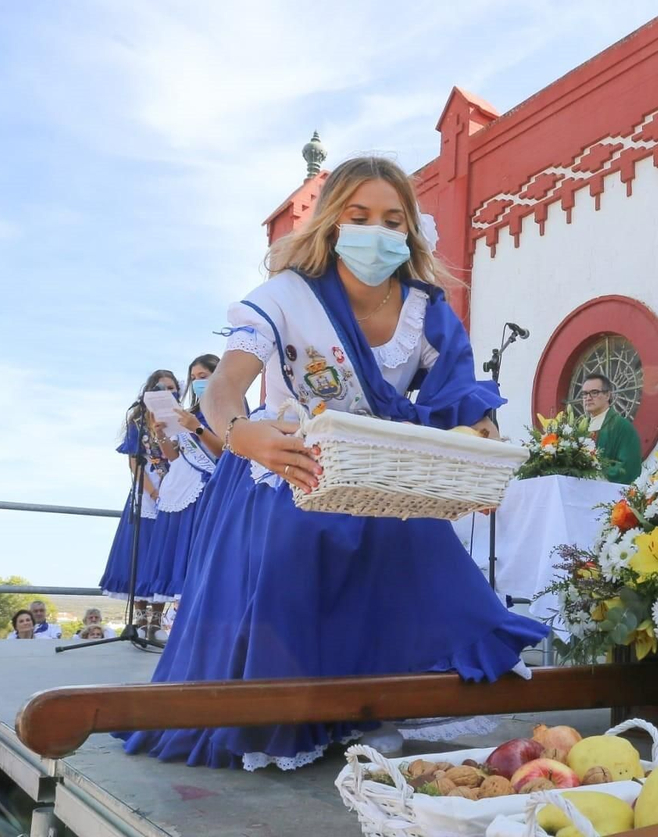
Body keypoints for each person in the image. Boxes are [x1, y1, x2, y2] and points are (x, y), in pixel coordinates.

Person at [122, 155, 548, 771]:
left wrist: (478, 429)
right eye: (360, 215)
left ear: (410, 230)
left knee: (426, 551)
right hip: (290, 463)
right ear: (331, 222)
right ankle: (293, 714)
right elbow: (223, 390)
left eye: (392, 219)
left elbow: (459, 391)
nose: (377, 231)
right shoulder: (285, 296)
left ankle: (374, 706)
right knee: (297, 542)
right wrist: (244, 435)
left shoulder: (425, 309)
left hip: (380, 473)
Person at [145, 354, 227, 611]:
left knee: (196, 562)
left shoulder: (229, 407)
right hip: (179, 486)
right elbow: (174, 456)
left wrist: (197, 428)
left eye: (202, 377)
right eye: (193, 379)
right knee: (175, 562)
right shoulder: (189, 412)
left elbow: (227, 452)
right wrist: (161, 437)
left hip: (205, 490)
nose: (197, 382)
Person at [99, 370, 175, 627]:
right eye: (161, 388)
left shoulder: (180, 419)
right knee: (140, 550)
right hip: (146, 491)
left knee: (162, 551)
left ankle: (157, 615)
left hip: (174, 488)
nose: (167, 393)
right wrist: (153, 491)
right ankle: (139, 615)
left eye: (172, 388)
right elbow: (134, 460)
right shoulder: (138, 422)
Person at [578, 374, 640, 485]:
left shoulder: (621, 426)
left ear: (607, 395)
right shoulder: (579, 428)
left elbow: (628, 467)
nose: (588, 398)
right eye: (585, 393)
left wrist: (594, 471)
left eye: (594, 392)